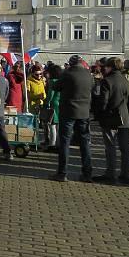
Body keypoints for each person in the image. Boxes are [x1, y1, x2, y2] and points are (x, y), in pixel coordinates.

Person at [50, 55, 94, 183]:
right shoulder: (88, 74)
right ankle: (87, 174)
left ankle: (62, 173)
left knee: (65, 142)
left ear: (70, 63)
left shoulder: (67, 74)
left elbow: (56, 87)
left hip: (68, 111)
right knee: (85, 143)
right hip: (84, 112)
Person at [93, 57, 129, 185]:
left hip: (110, 117)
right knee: (125, 148)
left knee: (110, 146)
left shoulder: (107, 81)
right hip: (124, 117)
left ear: (110, 67)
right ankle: (125, 175)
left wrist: (99, 114)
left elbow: (103, 102)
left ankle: (110, 174)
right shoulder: (126, 81)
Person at [43, 64, 62, 152]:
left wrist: (46, 103)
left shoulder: (52, 81)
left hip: (53, 105)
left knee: (52, 125)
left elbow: (51, 94)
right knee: (58, 126)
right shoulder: (62, 80)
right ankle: (58, 144)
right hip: (60, 104)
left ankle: (52, 145)